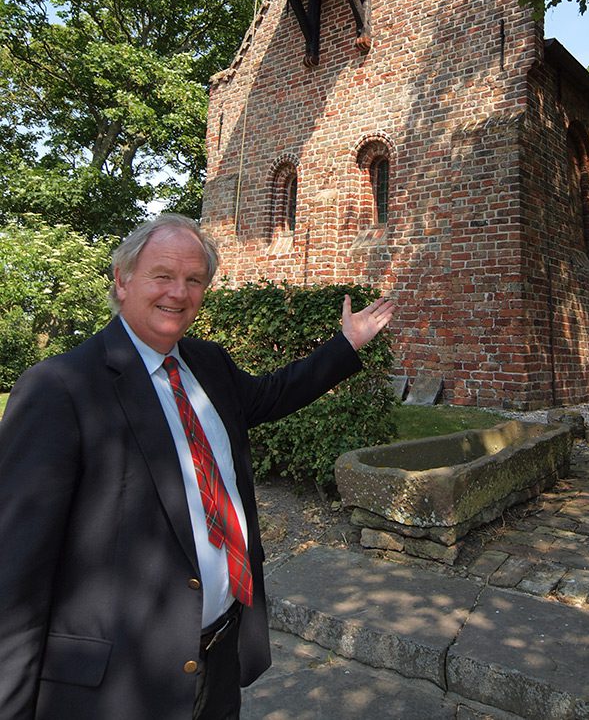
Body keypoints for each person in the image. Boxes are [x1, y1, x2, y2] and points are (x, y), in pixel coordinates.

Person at [0, 213, 395, 720]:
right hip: (119, 685)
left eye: (194, 280)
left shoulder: (207, 364)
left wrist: (347, 344)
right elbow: (17, 571)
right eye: (163, 275)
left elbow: (273, 395)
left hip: (218, 656)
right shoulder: (61, 387)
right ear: (122, 280)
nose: (178, 293)